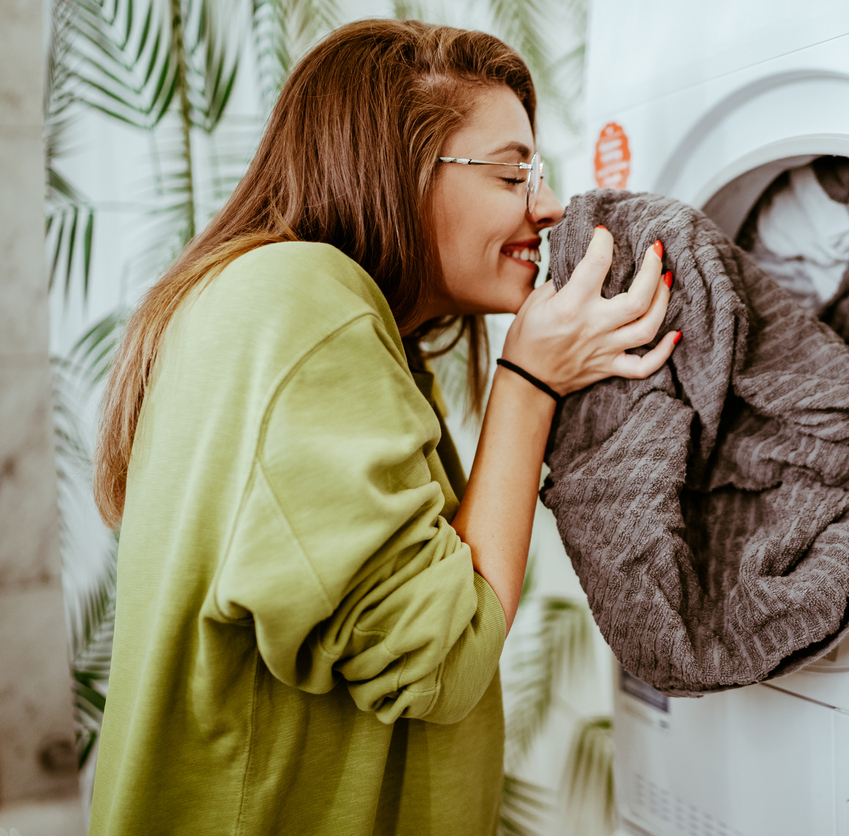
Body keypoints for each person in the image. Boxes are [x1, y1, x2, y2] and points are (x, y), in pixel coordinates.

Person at [88, 18, 677, 836]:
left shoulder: (317, 318)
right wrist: (529, 381)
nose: (548, 207)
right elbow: (442, 658)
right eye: (513, 173)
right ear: (400, 169)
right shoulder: (299, 300)